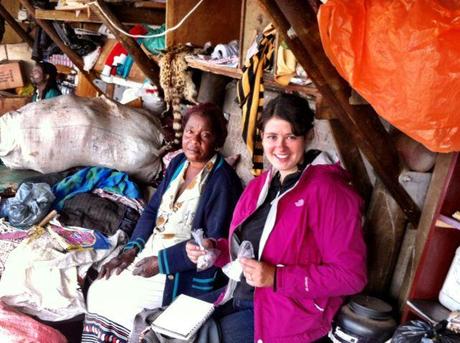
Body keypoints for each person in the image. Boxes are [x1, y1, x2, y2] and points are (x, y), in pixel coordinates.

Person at [187, 94, 367, 343]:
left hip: (288, 315)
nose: (280, 147)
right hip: (242, 296)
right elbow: (250, 253)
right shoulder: (261, 186)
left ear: (309, 136)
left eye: (291, 137)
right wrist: (215, 251)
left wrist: (277, 278)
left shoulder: (329, 191)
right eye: (272, 137)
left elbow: (351, 277)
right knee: (161, 327)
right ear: (262, 137)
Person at [82, 103, 243, 343]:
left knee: (129, 309)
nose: (194, 140)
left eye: (205, 135)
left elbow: (211, 247)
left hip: (180, 269)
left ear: (218, 140)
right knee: (100, 288)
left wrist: (162, 263)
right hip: (150, 250)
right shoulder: (178, 163)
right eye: (190, 132)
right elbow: (151, 211)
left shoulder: (223, 181)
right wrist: (129, 252)